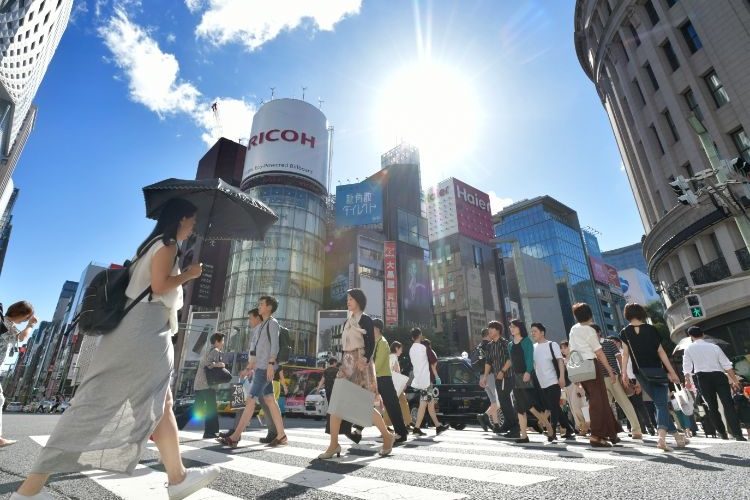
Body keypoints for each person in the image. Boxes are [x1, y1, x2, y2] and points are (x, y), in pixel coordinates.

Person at [14, 198, 220, 500]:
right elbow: (161, 286)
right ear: (181, 219)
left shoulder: (147, 247)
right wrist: (189, 274)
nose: (193, 227)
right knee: (97, 403)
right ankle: (28, 491)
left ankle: (177, 477)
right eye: (193, 220)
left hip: (132, 329)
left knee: (159, 400)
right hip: (146, 330)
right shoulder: (168, 245)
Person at [318, 289, 395, 459]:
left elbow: (371, 342)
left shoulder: (365, 319)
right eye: (348, 299)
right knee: (336, 404)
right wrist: (341, 363)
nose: (348, 301)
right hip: (347, 363)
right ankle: (333, 445)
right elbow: (345, 345)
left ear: (359, 301)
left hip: (360, 362)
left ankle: (387, 436)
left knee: (364, 406)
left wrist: (365, 359)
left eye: (351, 299)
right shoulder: (349, 320)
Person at [219, 296, 287, 448]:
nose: (259, 306)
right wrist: (249, 368)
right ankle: (281, 435)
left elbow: (274, 346)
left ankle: (235, 436)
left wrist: (270, 364)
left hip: (265, 368)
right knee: (270, 400)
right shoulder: (263, 325)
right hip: (260, 367)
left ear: (269, 307)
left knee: (250, 400)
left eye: (262, 304)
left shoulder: (272, 323)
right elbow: (258, 350)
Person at [620, 302, 687, 452]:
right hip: (657, 371)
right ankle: (661, 438)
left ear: (627, 315)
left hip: (640, 373)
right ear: (642, 313)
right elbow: (661, 352)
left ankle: (677, 436)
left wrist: (624, 373)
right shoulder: (651, 330)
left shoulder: (624, 332)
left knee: (659, 403)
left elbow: (625, 355)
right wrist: (672, 372)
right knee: (661, 404)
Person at [568, 303, 620, 448]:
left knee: (599, 398)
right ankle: (596, 435)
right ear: (590, 314)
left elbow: (572, 351)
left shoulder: (574, 329)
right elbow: (599, 352)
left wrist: (575, 376)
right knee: (598, 400)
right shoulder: (589, 330)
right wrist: (609, 370)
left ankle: (612, 432)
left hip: (580, 367)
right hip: (591, 365)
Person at [682, 326, 746, 441]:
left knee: (712, 407)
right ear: (703, 334)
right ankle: (738, 434)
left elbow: (687, 368)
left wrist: (687, 381)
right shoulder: (714, 347)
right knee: (728, 404)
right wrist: (735, 381)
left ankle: (722, 433)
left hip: (703, 378)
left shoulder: (689, 349)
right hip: (719, 376)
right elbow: (727, 365)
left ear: (690, 336)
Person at [592, 327, 643, 440]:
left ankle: (636, 430)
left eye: (593, 331)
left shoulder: (609, 343)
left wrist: (623, 374)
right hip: (599, 380)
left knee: (624, 403)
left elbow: (619, 358)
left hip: (613, 377)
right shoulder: (590, 346)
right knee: (604, 406)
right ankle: (608, 432)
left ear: (599, 332)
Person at [508, 319, 552, 444]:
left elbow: (529, 357)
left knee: (530, 406)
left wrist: (528, 371)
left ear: (519, 328)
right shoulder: (510, 344)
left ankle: (548, 426)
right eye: (510, 327)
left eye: (514, 326)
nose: (511, 329)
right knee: (520, 408)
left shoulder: (526, 341)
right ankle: (524, 436)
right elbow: (511, 361)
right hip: (515, 377)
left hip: (526, 375)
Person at [530, 323, 575, 442]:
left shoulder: (552, 344)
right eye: (532, 331)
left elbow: (560, 361)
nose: (532, 333)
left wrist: (561, 377)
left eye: (535, 331)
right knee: (553, 406)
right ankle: (568, 428)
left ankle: (552, 431)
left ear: (542, 332)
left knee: (554, 406)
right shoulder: (533, 347)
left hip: (553, 380)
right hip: (541, 382)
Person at [1, 301, 37, 447]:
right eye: (26, 317)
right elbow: (22, 338)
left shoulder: (4, 323)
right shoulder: (6, 325)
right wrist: (31, 325)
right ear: (19, 313)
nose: (25, 321)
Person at [372, 318, 408, 443]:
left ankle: (401, 433)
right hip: (377, 378)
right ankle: (357, 430)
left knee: (392, 406)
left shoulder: (383, 343)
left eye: (371, 327)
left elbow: (378, 363)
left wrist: (369, 374)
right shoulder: (374, 342)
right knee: (367, 403)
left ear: (377, 328)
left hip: (384, 379)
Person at [481, 322, 519, 437]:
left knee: (507, 403)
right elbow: (488, 362)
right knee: (502, 403)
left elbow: (510, 359)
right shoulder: (489, 345)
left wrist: (502, 371)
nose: (489, 332)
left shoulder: (505, 343)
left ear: (497, 330)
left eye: (491, 329)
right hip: (498, 378)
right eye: (488, 329)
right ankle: (510, 426)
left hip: (508, 377)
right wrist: (485, 377)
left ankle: (515, 428)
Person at [409, 328, 449, 436]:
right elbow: (434, 360)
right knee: (426, 404)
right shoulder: (424, 347)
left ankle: (433, 426)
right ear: (420, 335)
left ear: (412, 337)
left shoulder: (411, 349)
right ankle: (430, 427)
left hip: (419, 380)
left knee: (427, 404)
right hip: (427, 380)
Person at [192, 333, 226, 439]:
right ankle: (210, 432)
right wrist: (221, 365)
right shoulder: (215, 351)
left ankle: (175, 423)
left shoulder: (208, 350)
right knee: (211, 409)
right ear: (217, 341)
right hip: (207, 385)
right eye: (222, 341)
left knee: (197, 408)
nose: (223, 343)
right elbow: (208, 364)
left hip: (199, 385)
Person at [559, 341, 590, 435]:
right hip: (567, 387)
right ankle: (582, 426)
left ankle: (586, 425)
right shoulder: (562, 360)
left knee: (579, 406)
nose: (563, 350)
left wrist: (580, 385)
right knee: (573, 408)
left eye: (565, 347)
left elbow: (580, 372)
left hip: (576, 384)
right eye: (562, 348)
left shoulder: (575, 357)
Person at [388, 341, 413, 430]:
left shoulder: (389, 357)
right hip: (396, 384)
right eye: (400, 349)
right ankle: (407, 422)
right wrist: (403, 383)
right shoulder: (394, 357)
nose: (401, 351)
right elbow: (397, 371)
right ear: (396, 348)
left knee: (391, 403)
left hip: (390, 383)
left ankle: (387, 424)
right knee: (402, 402)